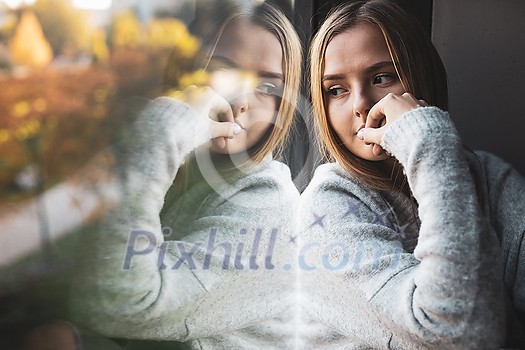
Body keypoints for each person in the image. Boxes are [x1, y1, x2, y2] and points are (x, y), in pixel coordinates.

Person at [67, 1, 302, 349]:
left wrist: (161, 132)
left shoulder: (269, 202)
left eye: (267, 88)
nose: (240, 102)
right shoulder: (164, 162)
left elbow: (119, 304)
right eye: (223, 71)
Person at [297, 0, 525, 348]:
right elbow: (455, 333)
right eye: (336, 90)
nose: (359, 103)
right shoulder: (327, 206)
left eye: (381, 77)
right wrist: (429, 142)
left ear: (422, 75)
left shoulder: (492, 178)